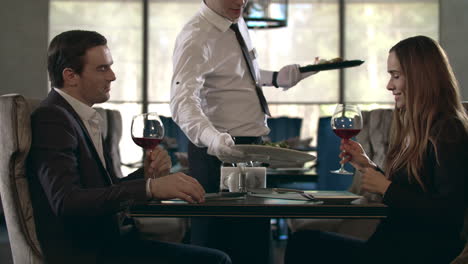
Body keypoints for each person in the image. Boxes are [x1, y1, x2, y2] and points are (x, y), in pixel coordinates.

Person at [27, 30, 231, 264]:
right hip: (88, 253)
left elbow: (102, 189)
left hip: (107, 244)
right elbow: (67, 201)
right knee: (216, 260)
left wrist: (146, 175)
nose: (112, 76)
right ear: (71, 76)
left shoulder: (77, 116)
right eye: (102, 68)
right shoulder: (53, 118)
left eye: (110, 67)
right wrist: (150, 188)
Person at [284, 35, 468, 264]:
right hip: (390, 248)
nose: (389, 85)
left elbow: (449, 216)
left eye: (396, 76)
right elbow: (410, 193)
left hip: (416, 254)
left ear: (421, 77)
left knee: (305, 244)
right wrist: (367, 166)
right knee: (305, 241)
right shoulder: (417, 127)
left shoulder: (448, 131)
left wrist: (386, 187)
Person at [170, 0, 318, 263]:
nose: (240, 1)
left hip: (252, 148)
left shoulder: (236, 19)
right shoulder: (196, 35)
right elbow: (182, 103)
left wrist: (276, 78)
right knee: (217, 248)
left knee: (254, 243)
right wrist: (214, 139)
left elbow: (238, 75)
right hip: (216, 155)